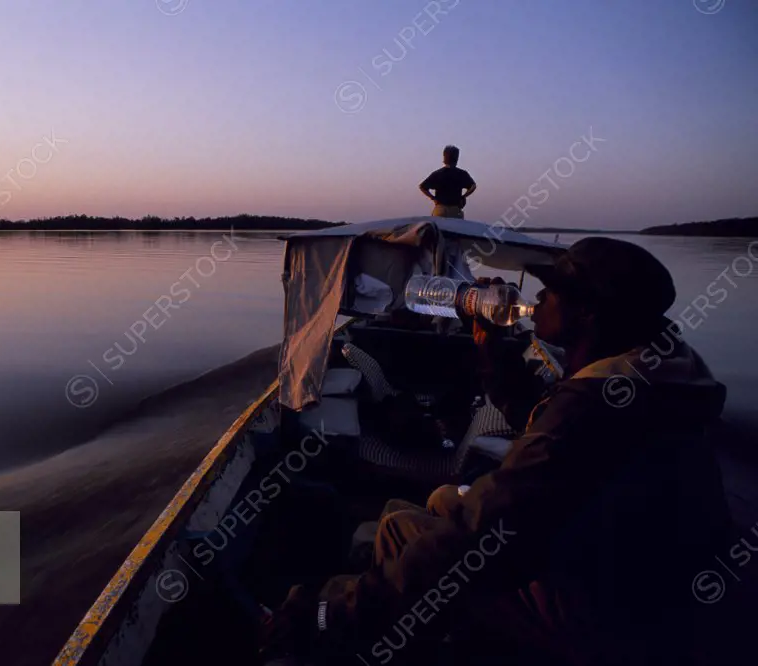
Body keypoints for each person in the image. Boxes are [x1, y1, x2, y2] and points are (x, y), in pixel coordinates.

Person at [261, 237, 733, 665]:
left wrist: (331, 612)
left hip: (606, 627)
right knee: (447, 499)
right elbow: (541, 427)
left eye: (553, 291)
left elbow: (482, 539)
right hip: (634, 586)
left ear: (587, 312)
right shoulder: (652, 377)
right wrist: (491, 348)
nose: (539, 298)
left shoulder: (594, 408)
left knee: (401, 529)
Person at [419, 145, 476, 218]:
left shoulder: (437, 173)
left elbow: (422, 186)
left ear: (444, 158)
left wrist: (433, 198)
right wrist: (463, 196)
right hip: (455, 210)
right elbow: (473, 186)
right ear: (457, 158)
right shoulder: (462, 174)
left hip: (440, 209)